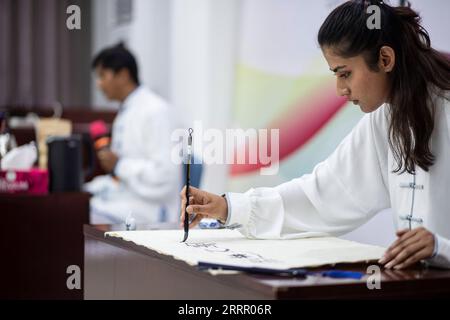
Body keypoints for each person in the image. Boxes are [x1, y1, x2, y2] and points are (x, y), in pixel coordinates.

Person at [180, 0, 450, 270]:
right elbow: (318, 196)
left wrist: (441, 247)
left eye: (345, 74)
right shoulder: (385, 120)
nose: (339, 89)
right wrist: (228, 207)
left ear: (385, 59)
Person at [85, 43, 180, 224]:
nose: (99, 84)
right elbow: (122, 180)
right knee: (74, 207)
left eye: (102, 76)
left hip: (152, 211)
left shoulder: (155, 111)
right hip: (127, 201)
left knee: (73, 216)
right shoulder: (127, 110)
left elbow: (165, 177)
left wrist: (119, 165)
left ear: (123, 75)